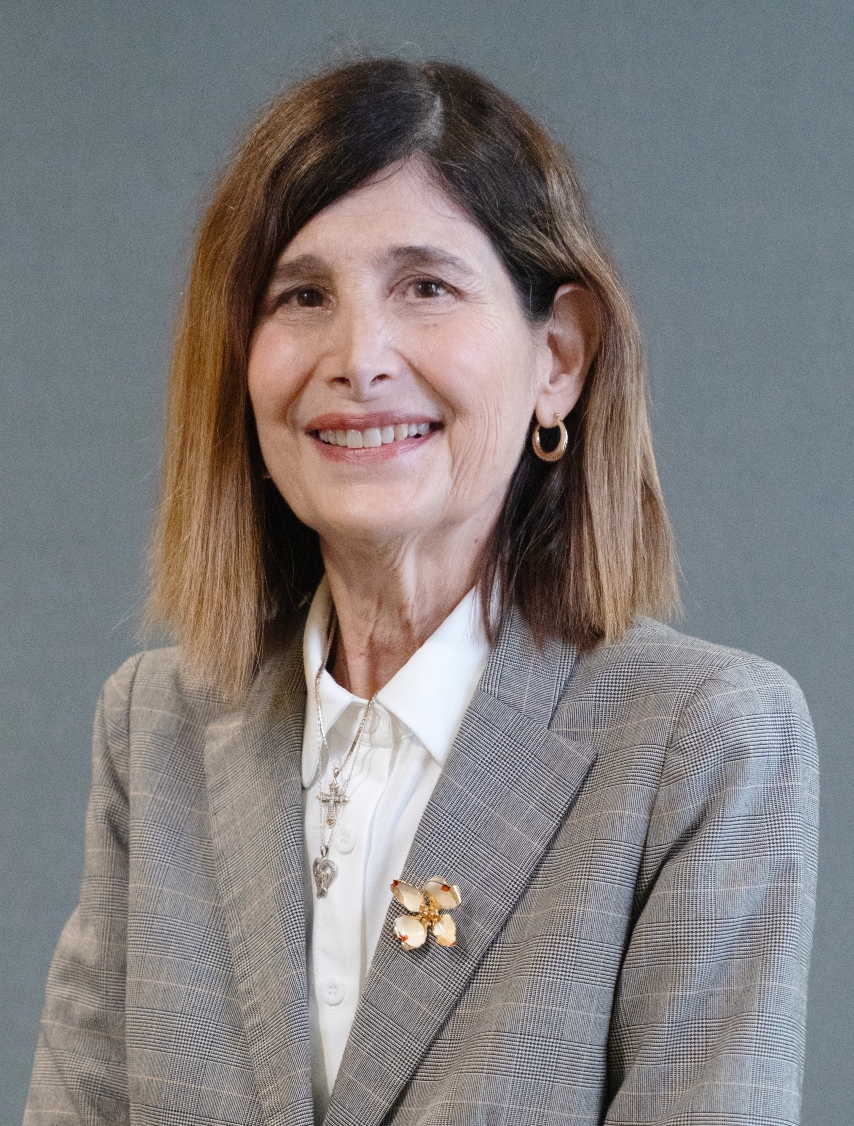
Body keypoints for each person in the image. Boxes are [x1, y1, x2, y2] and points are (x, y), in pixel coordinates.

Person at [24, 58, 818, 1126]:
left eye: (426, 287)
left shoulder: (700, 743)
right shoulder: (152, 729)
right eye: (300, 296)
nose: (358, 357)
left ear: (559, 356)